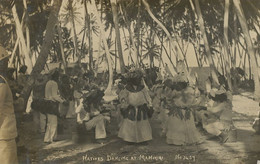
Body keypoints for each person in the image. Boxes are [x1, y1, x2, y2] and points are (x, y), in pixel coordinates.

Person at [163, 75, 203, 145]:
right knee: (178, 126)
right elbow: (168, 98)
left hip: (185, 111)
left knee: (185, 126)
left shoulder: (187, 90)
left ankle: (183, 141)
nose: (178, 85)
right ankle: (178, 141)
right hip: (179, 111)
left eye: (179, 83)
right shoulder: (187, 90)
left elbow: (169, 98)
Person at [118, 69, 153, 144]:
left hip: (141, 109)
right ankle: (130, 139)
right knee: (130, 124)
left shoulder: (143, 88)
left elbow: (147, 97)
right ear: (132, 80)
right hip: (131, 109)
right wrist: (124, 104)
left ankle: (143, 139)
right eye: (137, 79)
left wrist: (149, 105)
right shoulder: (127, 88)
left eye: (139, 79)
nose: (139, 80)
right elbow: (123, 97)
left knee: (142, 124)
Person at [0, 45, 18, 164]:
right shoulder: (1, 83)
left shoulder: (2, 79)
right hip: (5, 134)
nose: (7, 64)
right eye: (6, 60)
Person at [44, 69, 65, 143]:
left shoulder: (48, 83)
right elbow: (54, 96)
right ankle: (50, 138)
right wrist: (62, 101)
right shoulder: (54, 83)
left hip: (47, 103)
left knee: (49, 121)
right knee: (53, 122)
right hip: (52, 104)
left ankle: (50, 138)